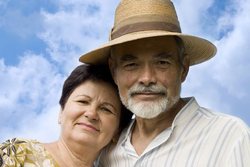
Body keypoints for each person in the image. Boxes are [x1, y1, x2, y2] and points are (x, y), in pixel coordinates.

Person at [79, 0, 250, 166]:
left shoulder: (230, 137)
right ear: (113, 72)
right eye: (131, 65)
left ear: (183, 68)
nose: (147, 78)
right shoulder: (105, 151)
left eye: (162, 63)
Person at [0, 64, 133, 167]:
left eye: (106, 109)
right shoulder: (18, 153)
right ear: (61, 113)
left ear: (118, 131)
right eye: (83, 101)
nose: (91, 114)